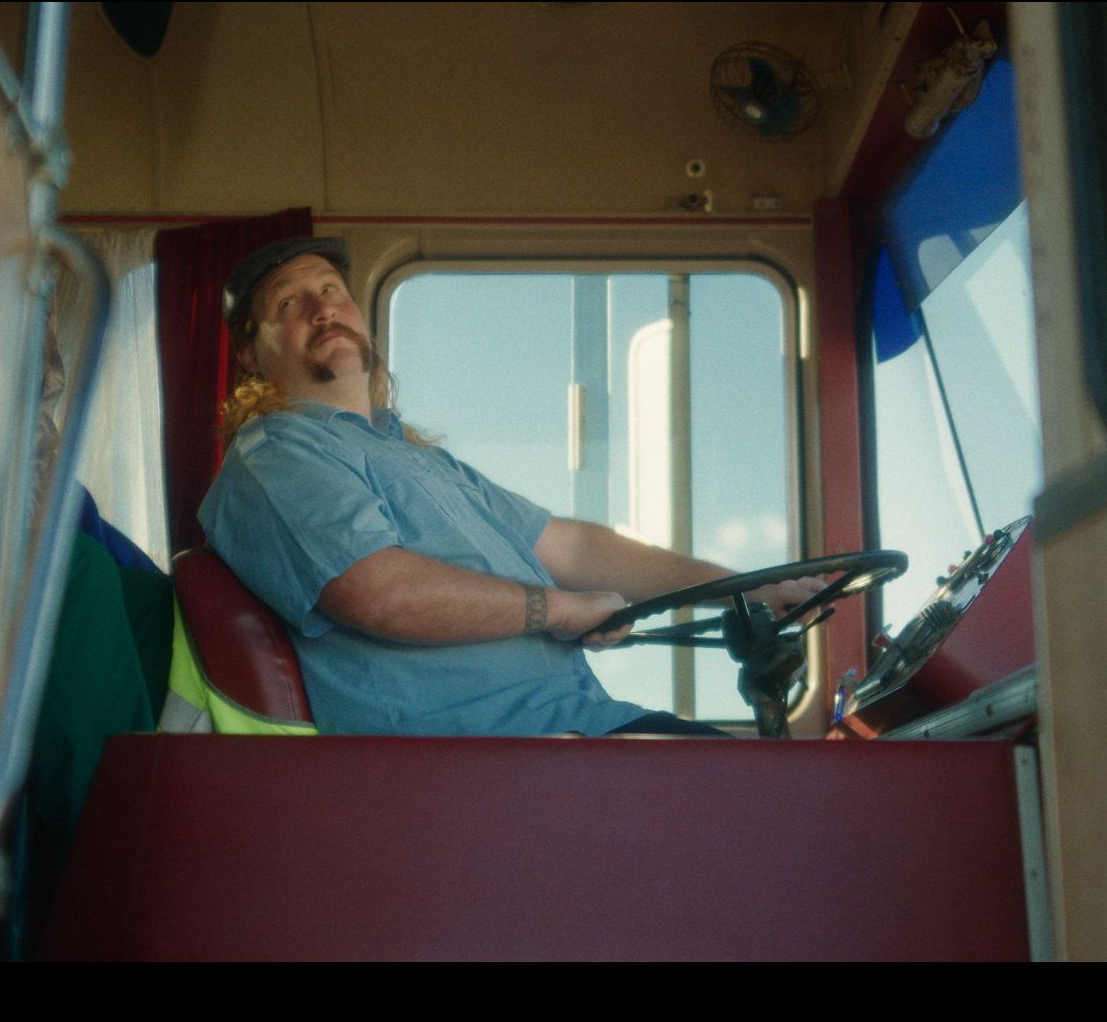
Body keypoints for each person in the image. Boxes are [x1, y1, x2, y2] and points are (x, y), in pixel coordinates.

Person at [197, 237, 821, 737]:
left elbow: (572, 550)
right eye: (289, 302)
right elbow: (378, 593)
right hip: (473, 762)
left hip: (571, 729)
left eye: (332, 290)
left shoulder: (416, 458)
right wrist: (561, 609)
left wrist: (755, 587)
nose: (323, 308)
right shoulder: (278, 450)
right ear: (251, 353)